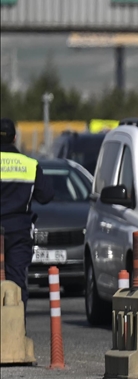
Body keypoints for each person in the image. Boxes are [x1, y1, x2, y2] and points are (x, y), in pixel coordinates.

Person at [0, 118, 54, 310]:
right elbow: (46, 195)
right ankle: (17, 331)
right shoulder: (29, 164)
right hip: (18, 232)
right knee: (16, 283)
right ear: (15, 138)